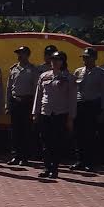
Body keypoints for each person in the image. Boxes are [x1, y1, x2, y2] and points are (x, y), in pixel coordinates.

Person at [32, 51, 76, 179]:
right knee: (45, 142)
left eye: (57, 60)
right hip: (45, 112)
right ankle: (47, 167)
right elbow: (38, 95)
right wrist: (35, 112)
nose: (54, 62)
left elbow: (72, 99)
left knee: (56, 142)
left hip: (60, 113)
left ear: (63, 61)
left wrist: (71, 118)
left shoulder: (69, 78)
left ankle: (54, 168)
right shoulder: (44, 76)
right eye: (53, 60)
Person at [72, 47, 104, 172]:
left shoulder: (101, 73)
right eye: (84, 57)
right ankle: (80, 160)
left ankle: (90, 161)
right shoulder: (78, 71)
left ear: (95, 58)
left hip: (93, 105)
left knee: (90, 135)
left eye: (88, 57)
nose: (85, 60)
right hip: (79, 105)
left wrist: (103, 110)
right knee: (78, 134)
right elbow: (74, 90)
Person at [7, 46, 41, 166]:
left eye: (22, 53)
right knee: (15, 131)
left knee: (26, 131)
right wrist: (7, 104)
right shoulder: (13, 69)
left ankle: (24, 157)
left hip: (27, 102)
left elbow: (37, 89)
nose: (20, 56)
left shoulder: (33, 70)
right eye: (18, 53)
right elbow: (9, 88)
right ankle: (16, 155)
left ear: (27, 55)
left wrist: (35, 107)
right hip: (15, 102)